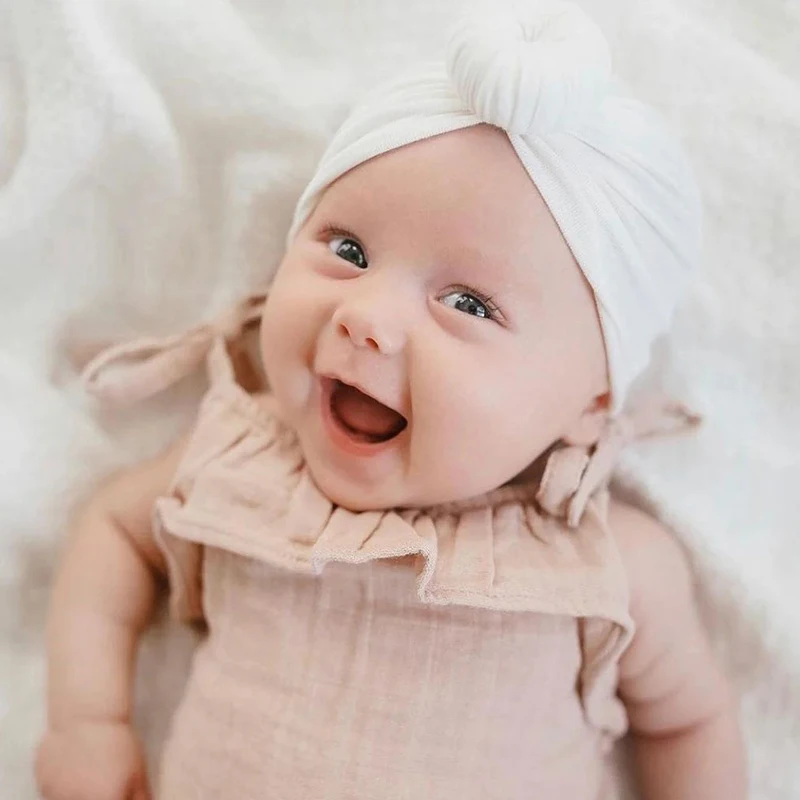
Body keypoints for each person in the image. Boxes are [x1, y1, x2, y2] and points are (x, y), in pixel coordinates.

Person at [35, 3, 746, 798]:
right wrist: (86, 724)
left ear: (591, 402)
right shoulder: (242, 461)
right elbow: (114, 535)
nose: (366, 318)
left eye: (469, 305)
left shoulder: (608, 563)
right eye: (348, 251)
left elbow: (689, 723)